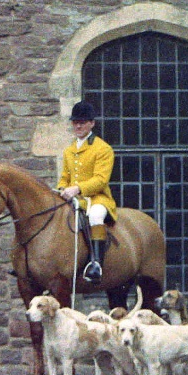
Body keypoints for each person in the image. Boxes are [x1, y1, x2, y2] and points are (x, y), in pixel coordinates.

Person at [57, 100, 117, 283]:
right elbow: (65, 177)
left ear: (92, 123)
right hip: (73, 198)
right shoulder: (69, 150)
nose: (78, 125)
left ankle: (96, 263)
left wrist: (78, 189)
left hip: (97, 198)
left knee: (96, 215)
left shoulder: (102, 148)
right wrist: (61, 188)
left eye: (82, 122)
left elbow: (101, 180)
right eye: (75, 122)